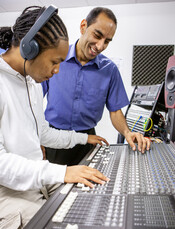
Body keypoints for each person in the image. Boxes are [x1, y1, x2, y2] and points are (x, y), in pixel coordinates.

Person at [0, 6, 110, 229]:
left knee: (90, 201)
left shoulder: (31, 84)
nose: (58, 70)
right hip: (7, 192)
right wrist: (61, 173)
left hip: (34, 181)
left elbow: (43, 133)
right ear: (30, 49)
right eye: (55, 61)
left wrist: (84, 137)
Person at [42, 7, 151, 166]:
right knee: (54, 189)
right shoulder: (55, 59)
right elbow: (33, 100)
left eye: (107, 41)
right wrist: (36, 137)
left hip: (88, 142)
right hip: (54, 140)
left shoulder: (110, 70)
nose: (100, 46)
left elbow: (115, 111)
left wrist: (127, 132)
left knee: (86, 189)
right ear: (83, 26)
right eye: (97, 35)